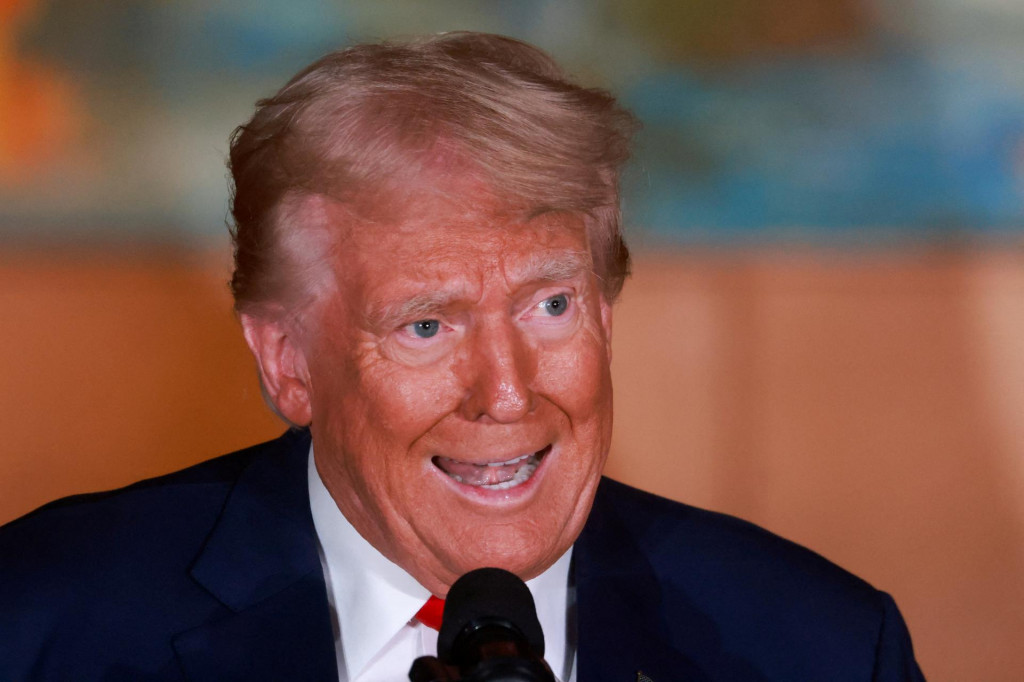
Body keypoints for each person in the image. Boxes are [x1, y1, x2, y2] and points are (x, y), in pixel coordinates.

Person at [0, 32, 925, 681]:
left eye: (551, 305)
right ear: (288, 361)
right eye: (427, 326)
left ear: (606, 313)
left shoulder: (823, 644)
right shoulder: (41, 624)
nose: (507, 391)